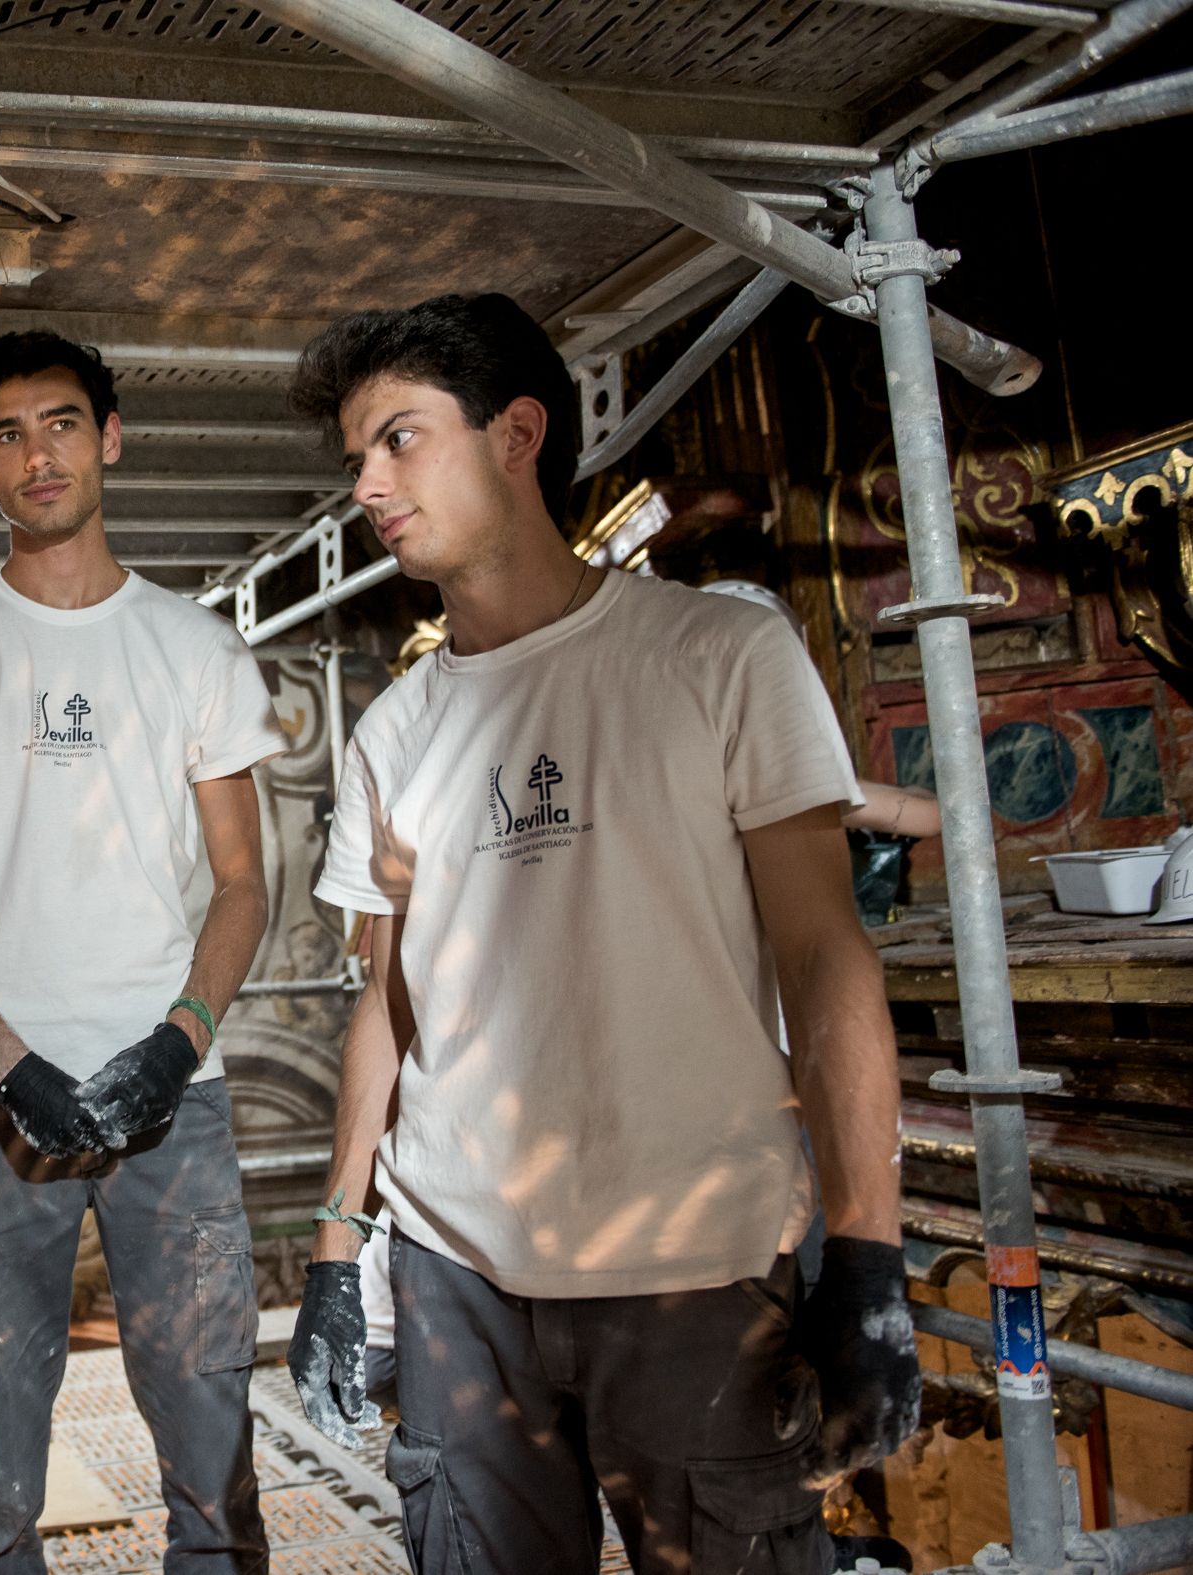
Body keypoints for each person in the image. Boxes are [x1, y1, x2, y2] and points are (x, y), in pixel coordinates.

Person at [281, 295, 919, 1575]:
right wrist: (338, 1252)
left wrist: (867, 1244)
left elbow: (821, 951)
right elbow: (389, 1005)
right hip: (458, 1276)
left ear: (517, 433)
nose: (366, 482)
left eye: (397, 440)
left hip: (687, 1261)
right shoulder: (393, 734)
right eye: (356, 455)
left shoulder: (715, 654)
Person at [0, 330, 285, 1575]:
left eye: (59, 423)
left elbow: (245, 884)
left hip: (175, 1108)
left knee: (213, 1459)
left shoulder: (195, 646)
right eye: (5, 434)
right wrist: (8, 1067)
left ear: (110, 436)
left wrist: (177, 1042)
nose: (36, 453)